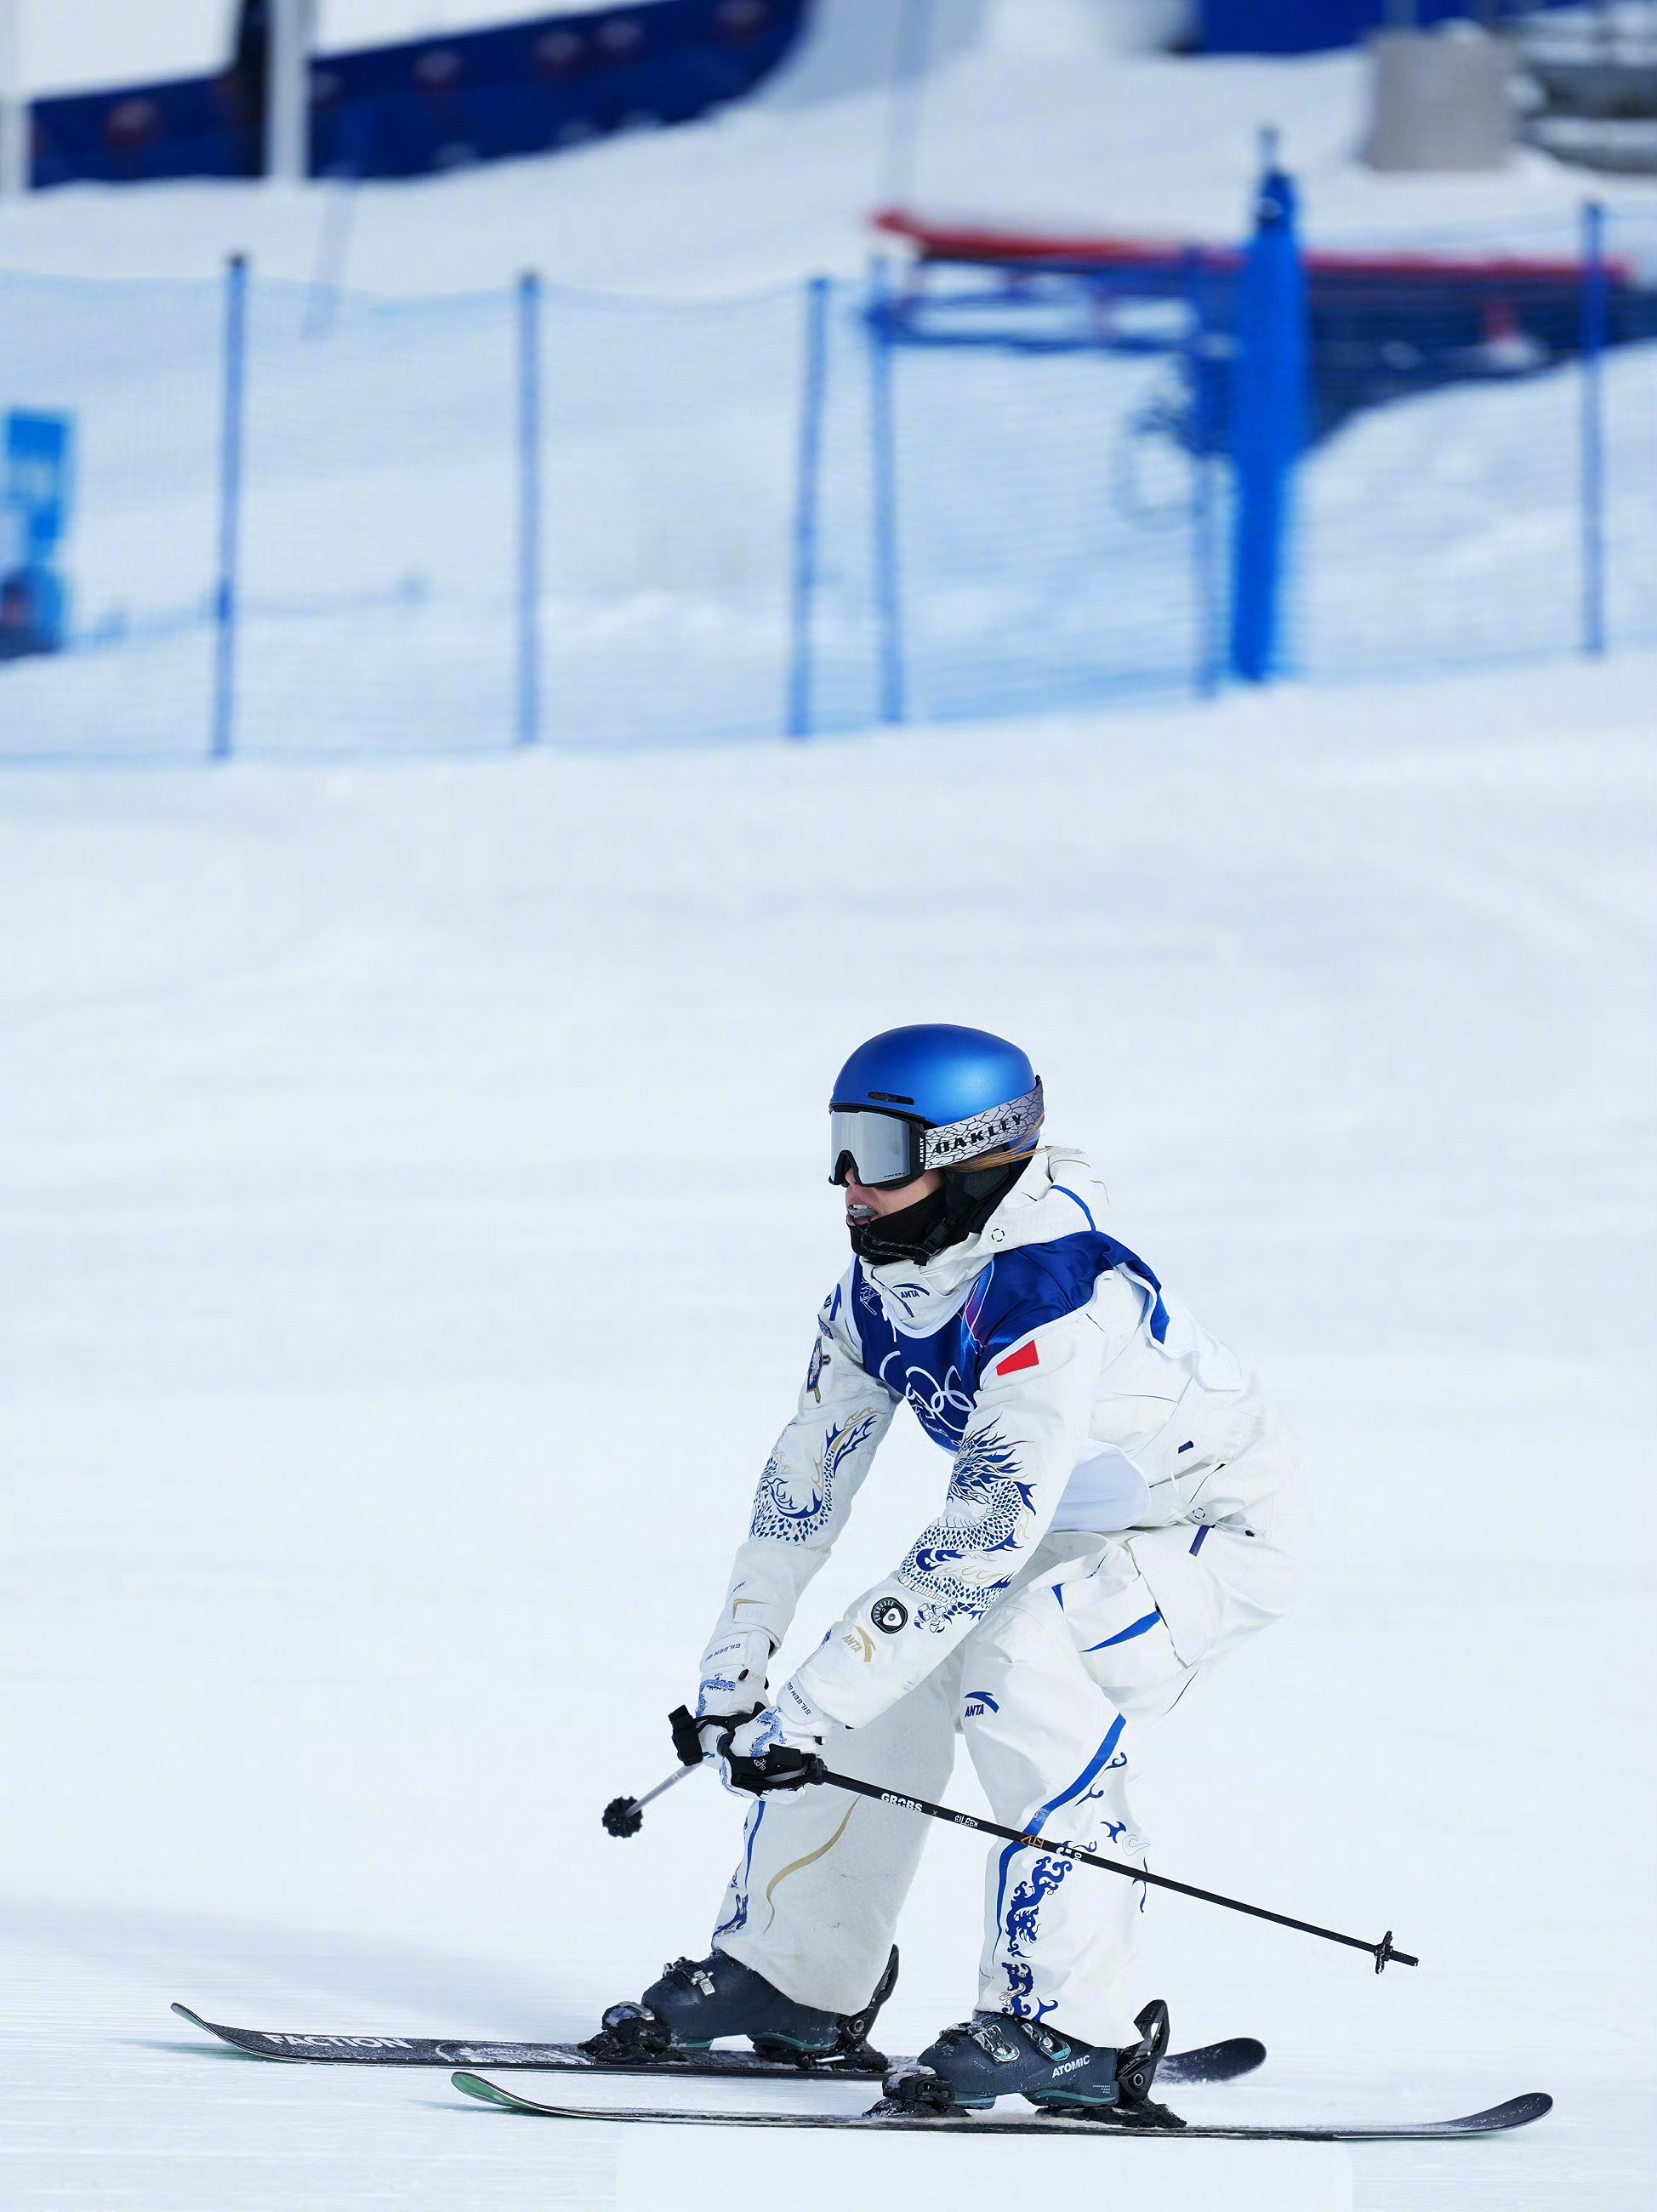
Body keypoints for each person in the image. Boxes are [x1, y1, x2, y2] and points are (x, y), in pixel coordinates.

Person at [592, 1024, 1301, 2122]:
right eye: (837, 1147)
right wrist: (738, 1673)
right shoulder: (881, 1290)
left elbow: (983, 1535)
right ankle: (794, 1980)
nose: (846, 1185)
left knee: (1022, 1657)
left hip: (1205, 1534)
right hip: (1058, 1529)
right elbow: (800, 1494)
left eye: (878, 1152)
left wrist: (814, 1699)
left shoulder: (1049, 1296)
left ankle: (1067, 2026)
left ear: (975, 1155)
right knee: (886, 1682)